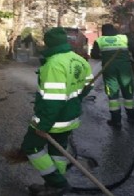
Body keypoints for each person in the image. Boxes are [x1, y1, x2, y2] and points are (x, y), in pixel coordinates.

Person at [21, 27, 94, 196]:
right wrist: (75, 98)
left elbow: (53, 100)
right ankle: (53, 186)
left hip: (54, 119)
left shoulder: (53, 64)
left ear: (48, 44)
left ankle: (58, 183)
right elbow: (88, 85)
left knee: (30, 147)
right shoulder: (79, 60)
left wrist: (43, 125)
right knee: (58, 149)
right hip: (70, 117)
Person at [90, 23, 134, 128]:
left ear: (103, 31)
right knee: (128, 93)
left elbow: (94, 55)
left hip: (109, 69)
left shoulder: (100, 40)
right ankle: (132, 117)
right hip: (125, 69)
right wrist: (133, 59)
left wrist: (103, 54)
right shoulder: (124, 38)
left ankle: (116, 120)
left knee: (113, 94)